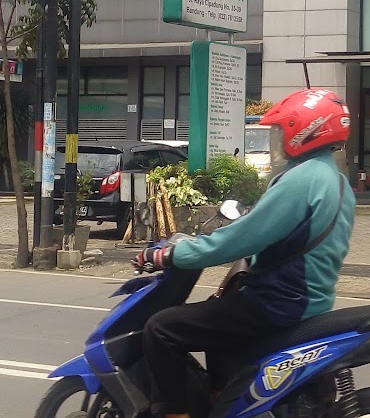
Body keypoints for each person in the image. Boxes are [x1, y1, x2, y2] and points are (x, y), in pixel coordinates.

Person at [134, 88, 356, 418]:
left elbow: (239, 240)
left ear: (305, 132)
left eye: (281, 131)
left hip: (277, 303)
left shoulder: (300, 180)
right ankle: (224, 399)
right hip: (307, 299)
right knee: (216, 317)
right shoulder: (337, 181)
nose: (277, 140)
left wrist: (169, 256)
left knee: (161, 329)